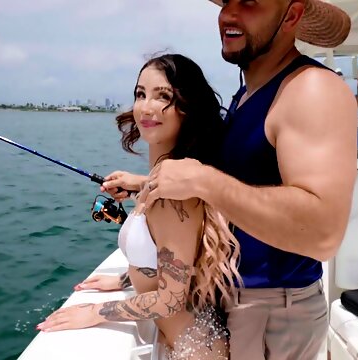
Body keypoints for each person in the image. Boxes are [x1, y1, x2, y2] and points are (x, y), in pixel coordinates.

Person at [99, 1, 358, 359]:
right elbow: (246, 184)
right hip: (228, 300)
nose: (230, 15)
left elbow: (323, 232)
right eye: (227, 1)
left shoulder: (311, 88)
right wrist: (148, 185)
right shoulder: (248, 94)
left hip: (270, 314)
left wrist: (203, 180)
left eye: (250, 2)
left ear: (292, 15)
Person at [37, 53, 243, 360]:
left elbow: (170, 300)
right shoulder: (167, 180)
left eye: (164, 97)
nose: (146, 107)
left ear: (187, 109)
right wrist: (123, 279)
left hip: (196, 352)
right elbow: (172, 261)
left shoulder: (175, 195)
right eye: (140, 94)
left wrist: (97, 311)